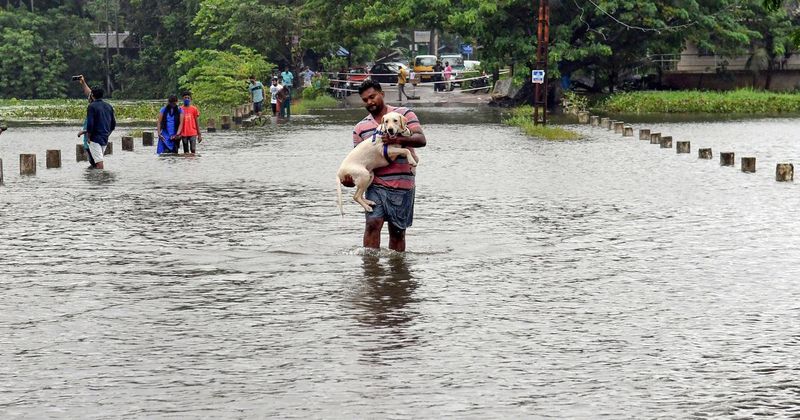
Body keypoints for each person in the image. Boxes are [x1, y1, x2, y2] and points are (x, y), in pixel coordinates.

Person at [342, 80, 426, 252]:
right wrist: (350, 181)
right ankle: (371, 272)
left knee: (397, 233)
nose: (369, 102)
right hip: (375, 185)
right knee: (372, 225)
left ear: (382, 93)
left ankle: (398, 274)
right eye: (365, 100)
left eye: (372, 97)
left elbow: (421, 140)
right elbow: (358, 162)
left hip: (403, 186)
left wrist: (397, 139)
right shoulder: (360, 128)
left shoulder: (404, 114)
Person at [84, 86, 116, 170]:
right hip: (104, 137)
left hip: (94, 138)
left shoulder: (92, 106)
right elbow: (113, 124)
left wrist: (88, 136)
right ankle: (98, 178)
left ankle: (100, 180)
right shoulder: (109, 106)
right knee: (98, 160)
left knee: (99, 163)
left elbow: (90, 124)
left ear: (92, 95)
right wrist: (107, 134)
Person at [74, 75, 97, 168]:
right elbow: (88, 93)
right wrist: (83, 82)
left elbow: (92, 125)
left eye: (91, 95)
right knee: (94, 162)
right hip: (93, 140)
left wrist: (85, 133)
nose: (89, 96)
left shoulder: (94, 107)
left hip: (91, 139)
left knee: (95, 163)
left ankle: (97, 180)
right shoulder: (97, 105)